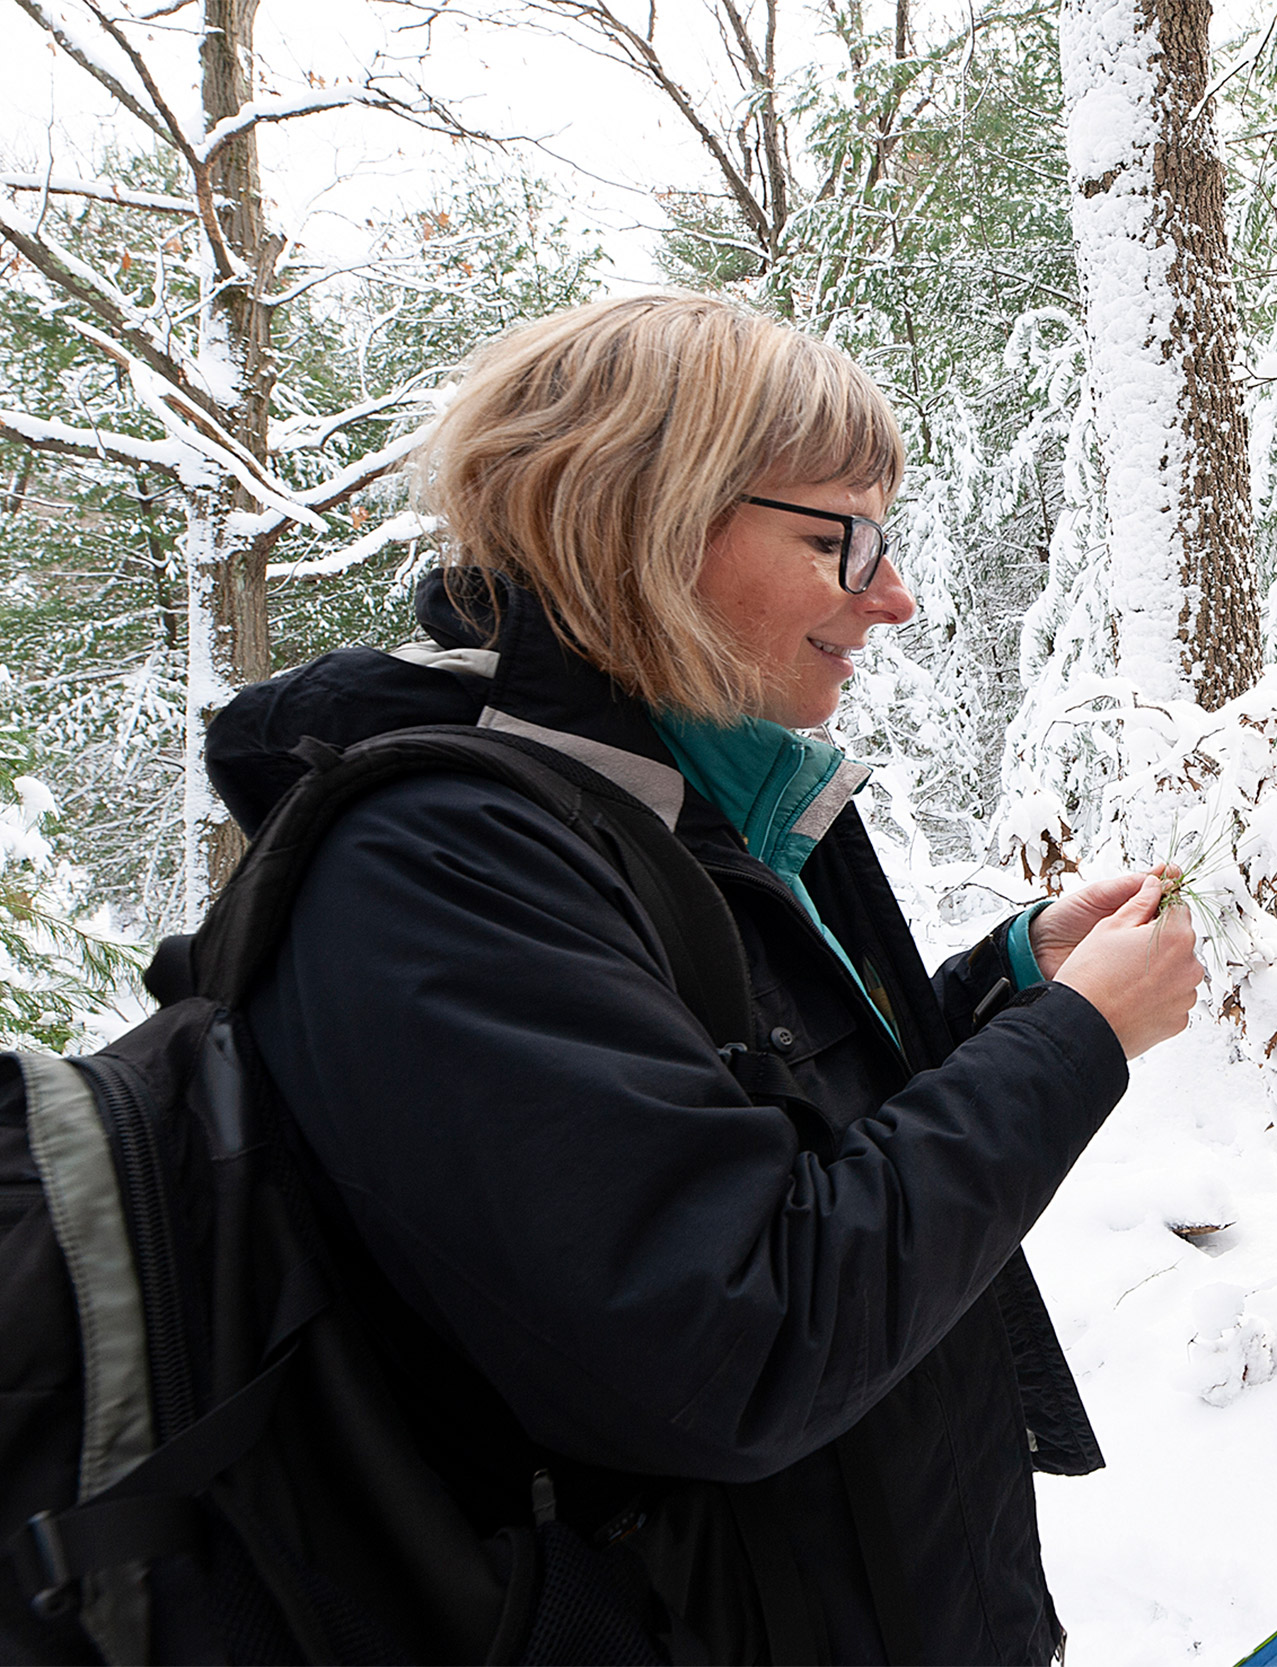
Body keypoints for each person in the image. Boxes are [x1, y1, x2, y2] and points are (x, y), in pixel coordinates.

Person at [200, 294, 1203, 1662]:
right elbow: (743, 1331)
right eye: (837, 536)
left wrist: (1016, 982)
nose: (892, 593)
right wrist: (1077, 1040)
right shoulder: (441, 866)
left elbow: (783, 1125)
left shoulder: (709, 786)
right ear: (648, 516)